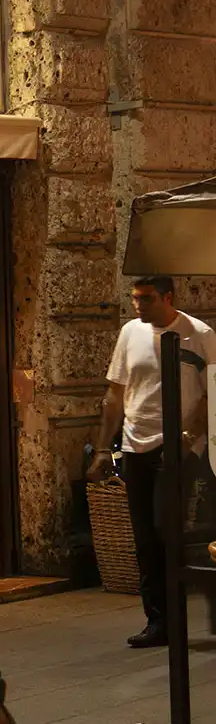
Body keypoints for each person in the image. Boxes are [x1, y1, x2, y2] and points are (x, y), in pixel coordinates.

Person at [88, 275, 216, 648]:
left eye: (145, 299)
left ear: (167, 298)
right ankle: (157, 621)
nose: (138, 306)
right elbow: (115, 394)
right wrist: (101, 448)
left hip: (176, 447)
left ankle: (178, 617)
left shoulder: (199, 334)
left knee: (167, 532)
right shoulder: (130, 333)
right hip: (134, 445)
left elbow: (212, 394)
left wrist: (190, 438)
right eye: (134, 299)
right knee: (144, 538)